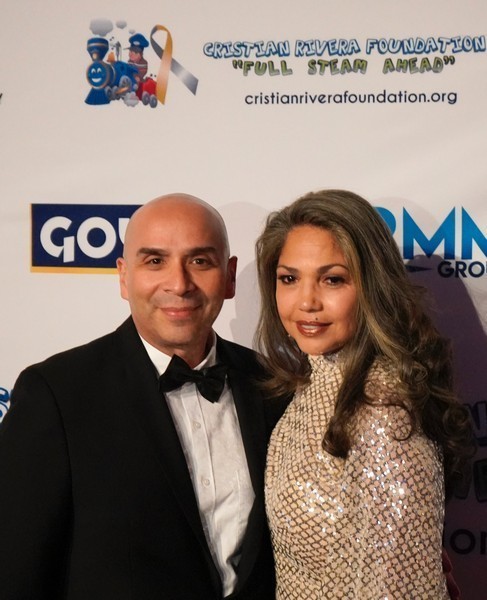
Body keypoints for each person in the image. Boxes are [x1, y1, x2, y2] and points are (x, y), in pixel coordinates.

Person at [0, 194, 286, 599]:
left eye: (200, 261)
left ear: (229, 276)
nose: (179, 284)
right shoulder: (56, 394)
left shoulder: (273, 384)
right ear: (124, 276)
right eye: (155, 261)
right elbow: (16, 572)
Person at [254, 189, 474, 599]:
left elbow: (398, 591)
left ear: (372, 286)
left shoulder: (382, 412)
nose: (307, 301)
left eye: (333, 279)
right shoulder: (311, 385)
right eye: (289, 279)